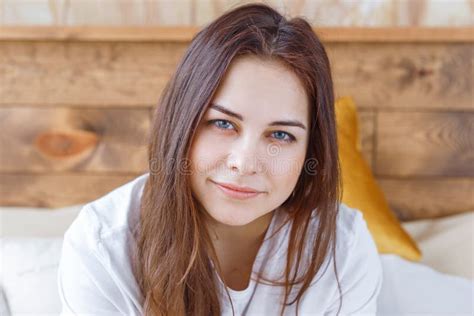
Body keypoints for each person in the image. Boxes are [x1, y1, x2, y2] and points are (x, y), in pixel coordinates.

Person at [57, 3, 383, 316]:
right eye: (223, 124)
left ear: (310, 150)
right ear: (182, 121)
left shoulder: (342, 249)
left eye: (281, 135)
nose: (244, 164)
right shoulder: (103, 246)